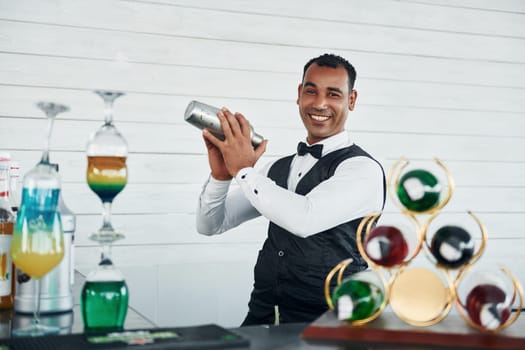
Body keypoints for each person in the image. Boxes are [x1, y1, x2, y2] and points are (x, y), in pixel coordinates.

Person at [195, 53, 386, 326]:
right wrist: (221, 176)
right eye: (311, 91)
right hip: (262, 316)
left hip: (330, 326)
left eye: (333, 94)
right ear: (299, 94)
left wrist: (244, 171)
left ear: (351, 100)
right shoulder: (276, 169)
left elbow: (304, 218)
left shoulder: (362, 170)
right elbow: (210, 225)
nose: (320, 103)